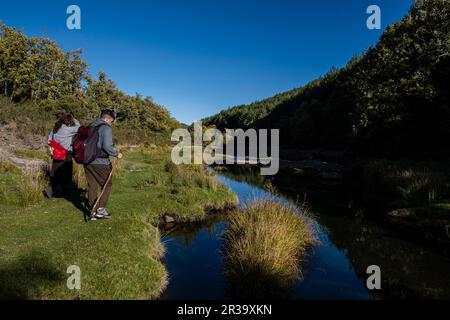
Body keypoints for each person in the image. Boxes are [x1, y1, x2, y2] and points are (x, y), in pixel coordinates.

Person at [85, 110, 123, 220]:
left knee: (92, 185)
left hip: (87, 161)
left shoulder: (91, 126)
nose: (111, 124)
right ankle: (100, 209)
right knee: (107, 184)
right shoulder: (105, 128)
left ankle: (93, 211)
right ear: (107, 119)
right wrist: (117, 154)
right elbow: (106, 146)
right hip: (100, 162)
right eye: (111, 121)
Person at [44, 113, 80, 198]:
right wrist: (75, 120)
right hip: (66, 153)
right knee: (67, 173)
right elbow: (80, 128)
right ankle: (60, 190)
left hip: (57, 152)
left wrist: (57, 146)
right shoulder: (69, 128)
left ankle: (55, 190)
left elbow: (49, 140)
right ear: (69, 120)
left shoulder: (56, 128)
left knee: (56, 172)